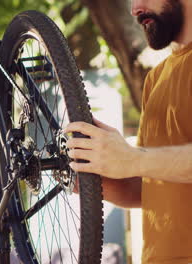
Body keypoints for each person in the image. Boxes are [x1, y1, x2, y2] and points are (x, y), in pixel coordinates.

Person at [64, 0, 192, 263]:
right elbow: (149, 188)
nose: (135, 9)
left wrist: (132, 159)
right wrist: (90, 173)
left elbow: (141, 162)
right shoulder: (156, 78)